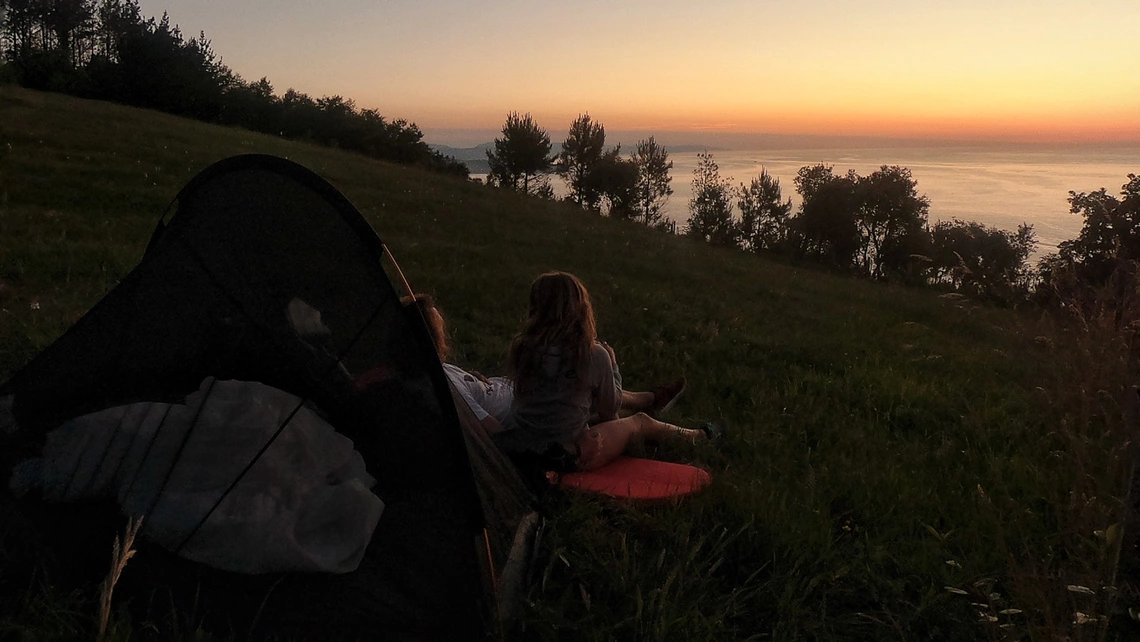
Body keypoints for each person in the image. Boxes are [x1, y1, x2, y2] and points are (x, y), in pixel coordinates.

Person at [495, 272, 717, 472]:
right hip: (566, 454)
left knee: (587, 411)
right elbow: (609, 409)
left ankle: (650, 399)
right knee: (640, 421)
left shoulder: (523, 347)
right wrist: (613, 366)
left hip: (522, 443)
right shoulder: (593, 354)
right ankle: (698, 436)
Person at [401, 294, 686, 443]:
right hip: (532, 410)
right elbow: (493, 434)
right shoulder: (441, 384)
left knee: (586, 383)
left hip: (516, 392)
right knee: (591, 386)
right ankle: (658, 411)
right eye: (439, 328)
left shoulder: (432, 369)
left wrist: (477, 384)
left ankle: (650, 399)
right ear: (429, 337)